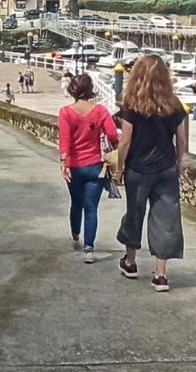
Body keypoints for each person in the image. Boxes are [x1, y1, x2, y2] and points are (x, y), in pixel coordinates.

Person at [113, 55, 188, 292]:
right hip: (166, 168)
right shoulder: (173, 103)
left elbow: (125, 142)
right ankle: (161, 274)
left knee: (134, 212)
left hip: (138, 168)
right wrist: (178, 161)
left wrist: (119, 168)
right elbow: (182, 140)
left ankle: (131, 261)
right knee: (165, 218)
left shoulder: (131, 103)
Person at [60, 73, 119, 263]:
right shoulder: (100, 110)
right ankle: (89, 249)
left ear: (73, 90)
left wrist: (64, 163)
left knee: (76, 203)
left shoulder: (65, 112)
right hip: (95, 166)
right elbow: (112, 135)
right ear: (90, 88)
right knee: (91, 207)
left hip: (75, 166)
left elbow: (65, 141)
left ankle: (75, 233)